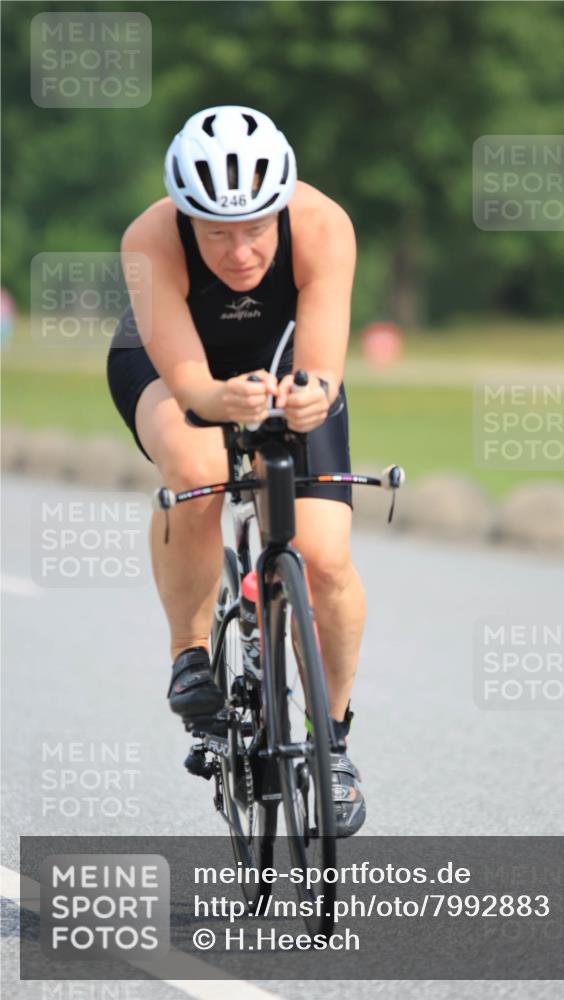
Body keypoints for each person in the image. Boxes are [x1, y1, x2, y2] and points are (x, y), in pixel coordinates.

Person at [106, 105, 366, 836]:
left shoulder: (323, 225)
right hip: (173, 360)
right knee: (197, 467)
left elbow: (320, 366)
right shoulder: (148, 240)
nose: (241, 250)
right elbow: (188, 380)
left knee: (326, 558)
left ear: (281, 206)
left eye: (255, 227)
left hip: (282, 356)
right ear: (185, 216)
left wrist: (309, 398)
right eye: (217, 232)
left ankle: (335, 742)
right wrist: (216, 399)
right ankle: (190, 653)